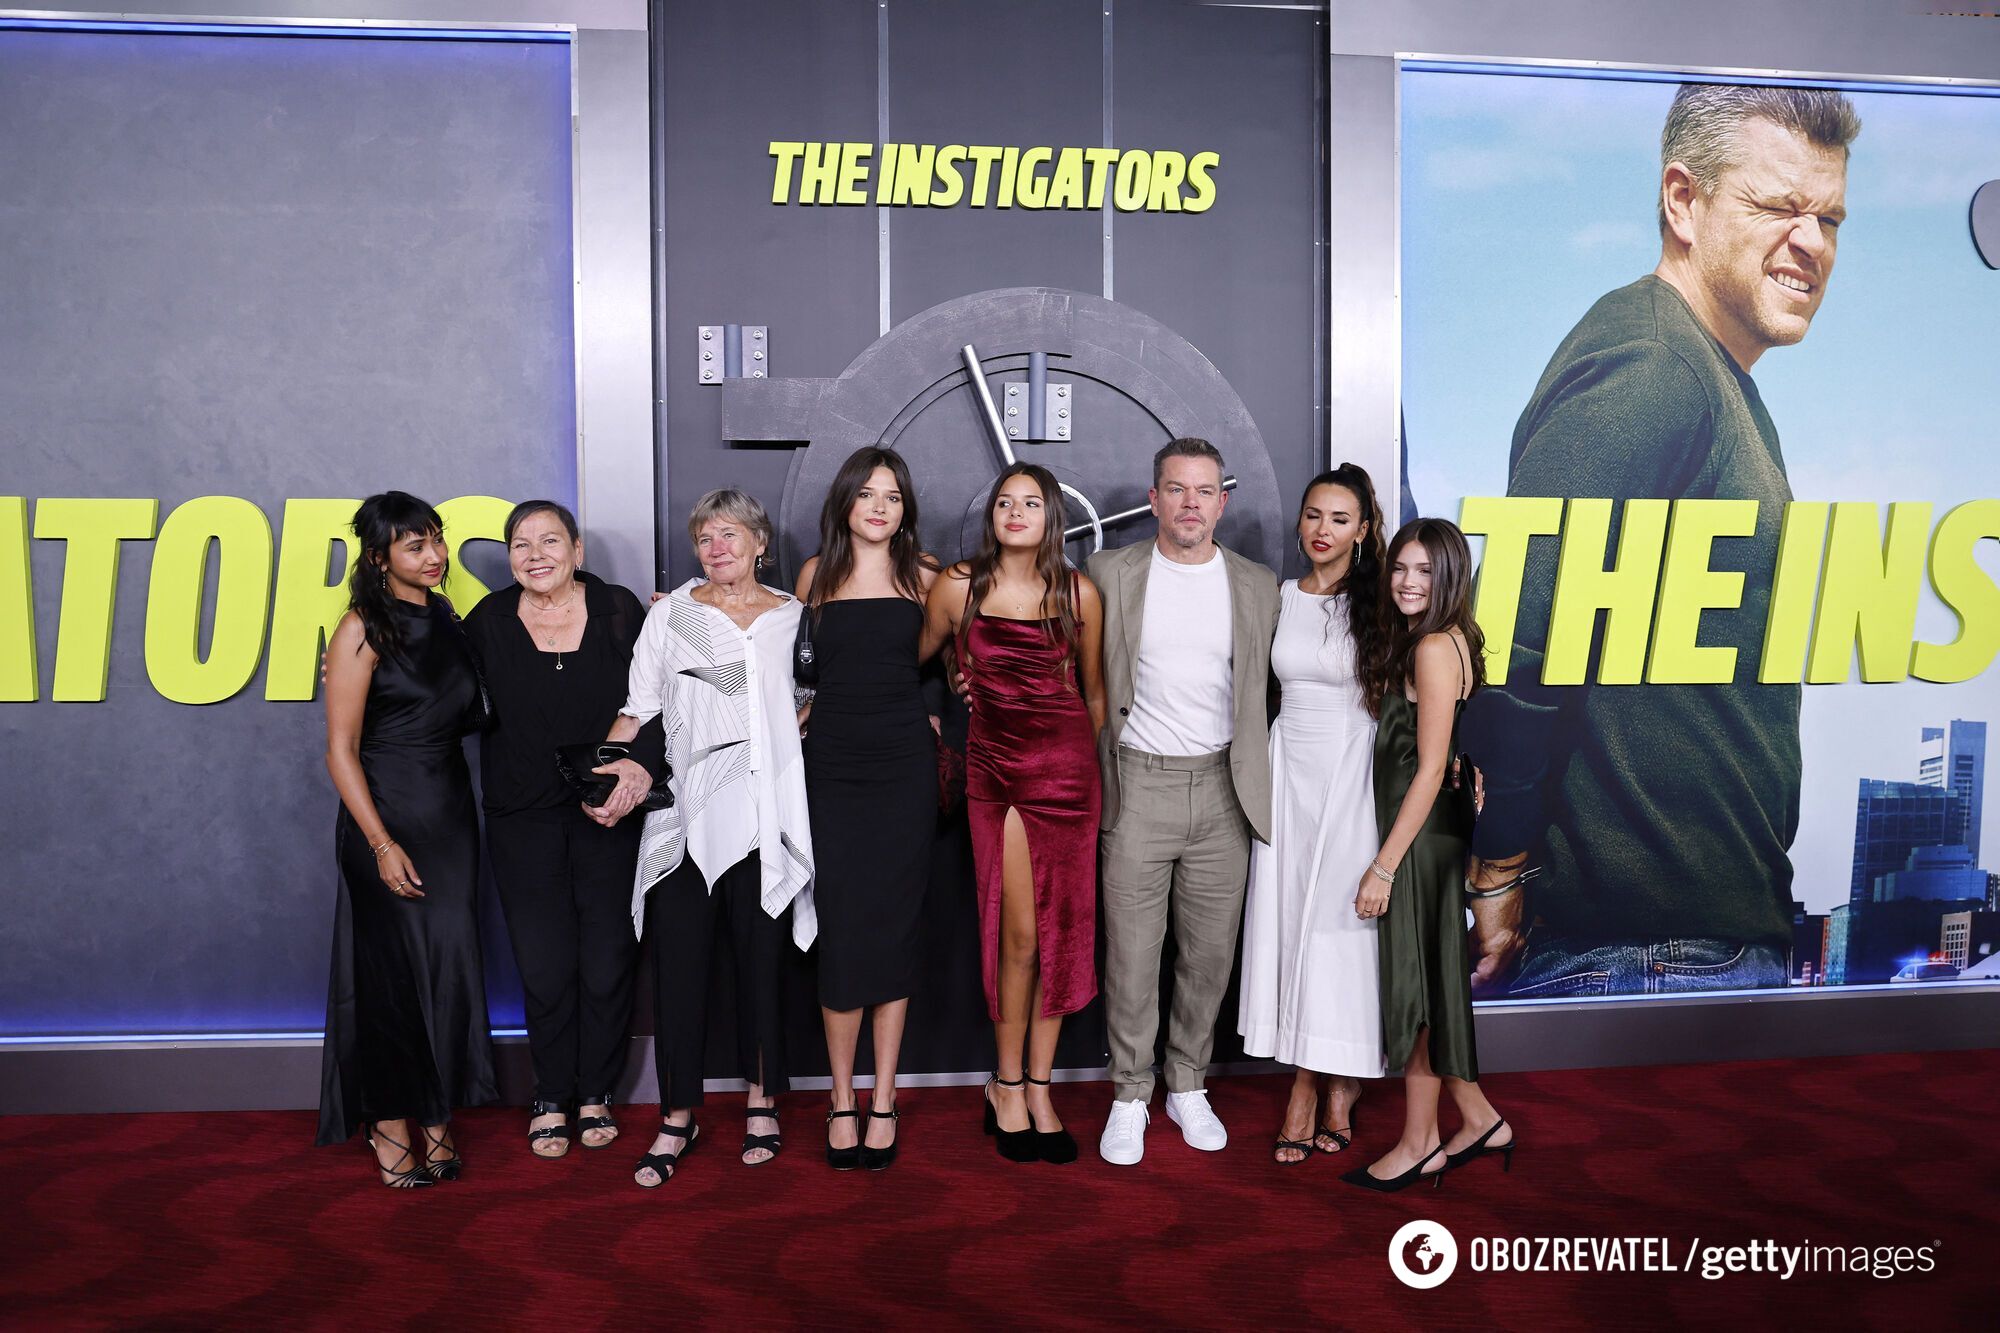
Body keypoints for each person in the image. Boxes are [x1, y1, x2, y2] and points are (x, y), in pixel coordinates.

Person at [1465, 84, 1861, 997]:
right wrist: (1502, 868)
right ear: (1683, 201)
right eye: (1777, 206)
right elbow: (1522, 640)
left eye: (1830, 216)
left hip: (1686, 943)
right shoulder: (1654, 365)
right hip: (1644, 954)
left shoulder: (1714, 376)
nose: (1812, 242)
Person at [593, 489, 815, 1186]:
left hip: (766, 821)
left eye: (730, 535)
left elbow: (812, 703)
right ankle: (677, 1116)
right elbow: (638, 710)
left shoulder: (794, 618)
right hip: (684, 817)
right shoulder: (671, 615)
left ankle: (761, 1104)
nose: (716, 548)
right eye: (704, 538)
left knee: (762, 968)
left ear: (759, 542)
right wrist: (598, 781)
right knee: (681, 974)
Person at [1087, 437, 1281, 1166]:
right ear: (1153, 497)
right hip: (1138, 781)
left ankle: (1187, 1082)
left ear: (1222, 501)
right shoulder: (1109, 571)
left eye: (1204, 491)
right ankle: (1131, 1092)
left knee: (1208, 954)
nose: (1191, 503)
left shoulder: (1257, 583)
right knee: (1132, 955)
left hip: (1225, 788)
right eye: (1177, 489)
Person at [920, 463, 1106, 1165]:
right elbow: (913, 656)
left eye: (1031, 502)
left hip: (1069, 777)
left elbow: (1093, 699)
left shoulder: (1079, 591)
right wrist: (948, 677)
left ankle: (1038, 1087)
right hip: (998, 775)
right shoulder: (959, 586)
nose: (1016, 511)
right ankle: (1004, 1083)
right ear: (991, 513)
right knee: (1018, 933)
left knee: (1062, 933)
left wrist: (1095, 788)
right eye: (1005, 501)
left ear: (1051, 515)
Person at [461, 500, 657, 1160]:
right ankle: (552, 1094)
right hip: (522, 819)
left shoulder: (620, 610)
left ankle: (596, 1091)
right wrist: (360, 665)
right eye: (521, 542)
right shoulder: (487, 621)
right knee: (544, 965)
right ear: (510, 556)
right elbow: (435, 684)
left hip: (609, 813)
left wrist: (637, 769)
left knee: (606, 960)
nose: (535, 552)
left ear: (577, 549)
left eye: (551, 539)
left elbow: (664, 700)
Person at [316, 491, 497, 1186]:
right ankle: (389, 1127)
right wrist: (380, 842)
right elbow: (339, 750)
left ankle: (435, 1116)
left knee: (445, 972)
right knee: (390, 978)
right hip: (384, 817)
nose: (435, 555)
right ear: (378, 556)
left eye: (437, 540)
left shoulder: (448, 618)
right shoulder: (362, 629)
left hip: (450, 817)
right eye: (416, 545)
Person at [1343, 518, 1513, 1192]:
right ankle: (1478, 1119)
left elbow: (1429, 763)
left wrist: (1383, 865)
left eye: (1425, 571)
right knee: (1436, 981)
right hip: (1437, 831)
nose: (1408, 581)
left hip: (1418, 843)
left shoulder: (1435, 648)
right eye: (1400, 569)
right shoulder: (1448, 639)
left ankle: (1420, 1142)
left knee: (1417, 990)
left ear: (1449, 578)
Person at [1238, 465, 1390, 1164]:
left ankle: (1322, 1082)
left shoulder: (1383, 601)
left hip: (1351, 775)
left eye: (1338, 518)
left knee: (1337, 932)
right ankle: (1315, 1075)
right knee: (1290, 922)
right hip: (1287, 768)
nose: (1321, 530)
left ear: (1363, 530)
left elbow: (1415, 698)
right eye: (1312, 515)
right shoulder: (1279, 596)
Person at [796, 446, 940, 1171]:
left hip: (904, 772)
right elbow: (796, 675)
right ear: (846, 502)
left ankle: (884, 1096)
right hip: (831, 772)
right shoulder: (813, 579)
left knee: (893, 930)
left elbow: (951, 668)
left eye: (893, 495)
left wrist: (940, 715)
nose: (880, 506)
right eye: (868, 494)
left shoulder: (928, 577)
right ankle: (841, 1095)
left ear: (904, 507)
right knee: (843, 932)